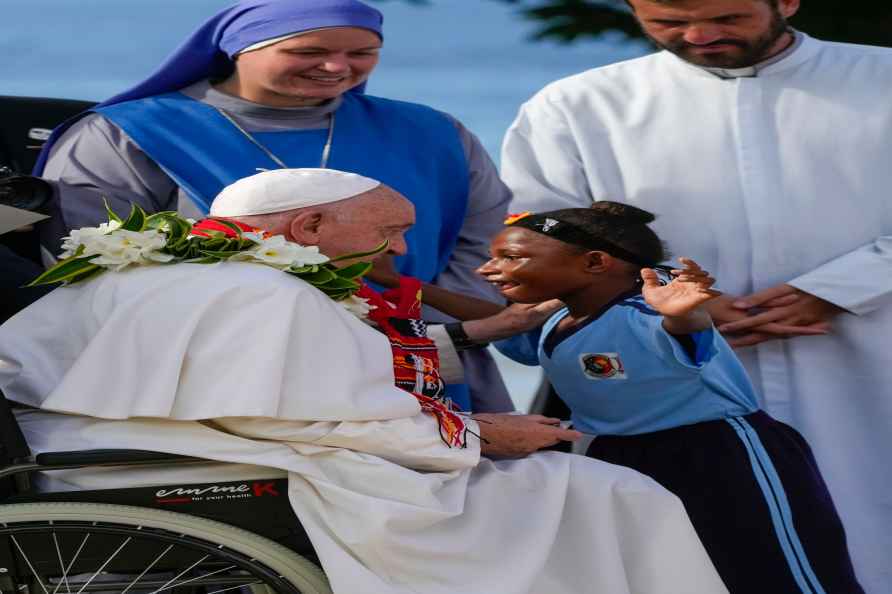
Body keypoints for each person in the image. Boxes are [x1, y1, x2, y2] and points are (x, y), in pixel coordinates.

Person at [0, 169, 728, 594]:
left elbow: (291, 393)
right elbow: (305, 421)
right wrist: (480, 435)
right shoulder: (266, 292)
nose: (403, 249)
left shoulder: (151, 268)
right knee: (608, 491)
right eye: (391, 230)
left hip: (102, 458)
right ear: (311, 224)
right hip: (204, 468)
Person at [500, 0, 892, 589]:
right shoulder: (575, 107)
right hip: (662, 377)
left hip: (871, 347)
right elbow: (534, 241)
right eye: (667, 22)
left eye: (729, 18)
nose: (699, 35)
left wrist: (842, 287)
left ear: (785, 0)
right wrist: (675, 298)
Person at [33, 0, 510, 414]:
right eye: (309, 52)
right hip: (227, 371)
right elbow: (91, 261)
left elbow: (484, 245)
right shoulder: (124, 135)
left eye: (362, 53)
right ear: (239, 49)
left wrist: (433, 333)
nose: (336, 67)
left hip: (428, 357)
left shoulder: (432, 133)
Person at [471, 204, 860, 593]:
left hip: (717, 453)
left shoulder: (646, 313)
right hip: (620, 457)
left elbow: (680, 330)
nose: (487, 269)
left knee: (771, 570)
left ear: (593, 262)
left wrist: (685, 315)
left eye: (511, 257)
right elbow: (499, 325)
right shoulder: (558, 320)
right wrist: (417, 293)